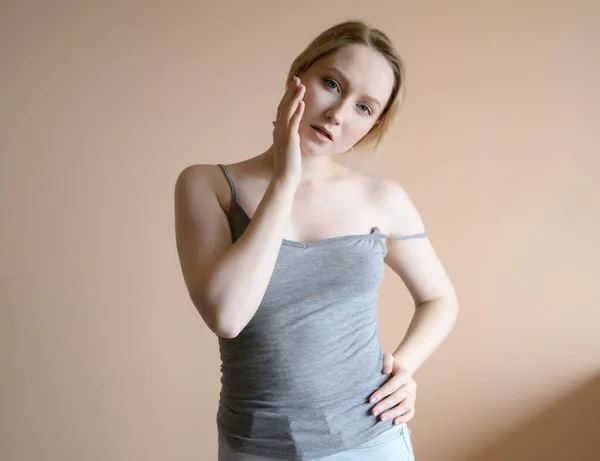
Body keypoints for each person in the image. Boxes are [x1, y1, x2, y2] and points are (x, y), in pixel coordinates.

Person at [174, 19, 459, 461]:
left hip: (372, 440)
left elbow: (440, 298)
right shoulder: (208, 185)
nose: (338, 113)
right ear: (298, 76)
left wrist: (404, 367)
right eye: (331, 83)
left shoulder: (382, 199)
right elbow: (227, 316)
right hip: (255, 447)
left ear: (374, 125)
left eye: (365, 108)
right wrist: (285, 180)